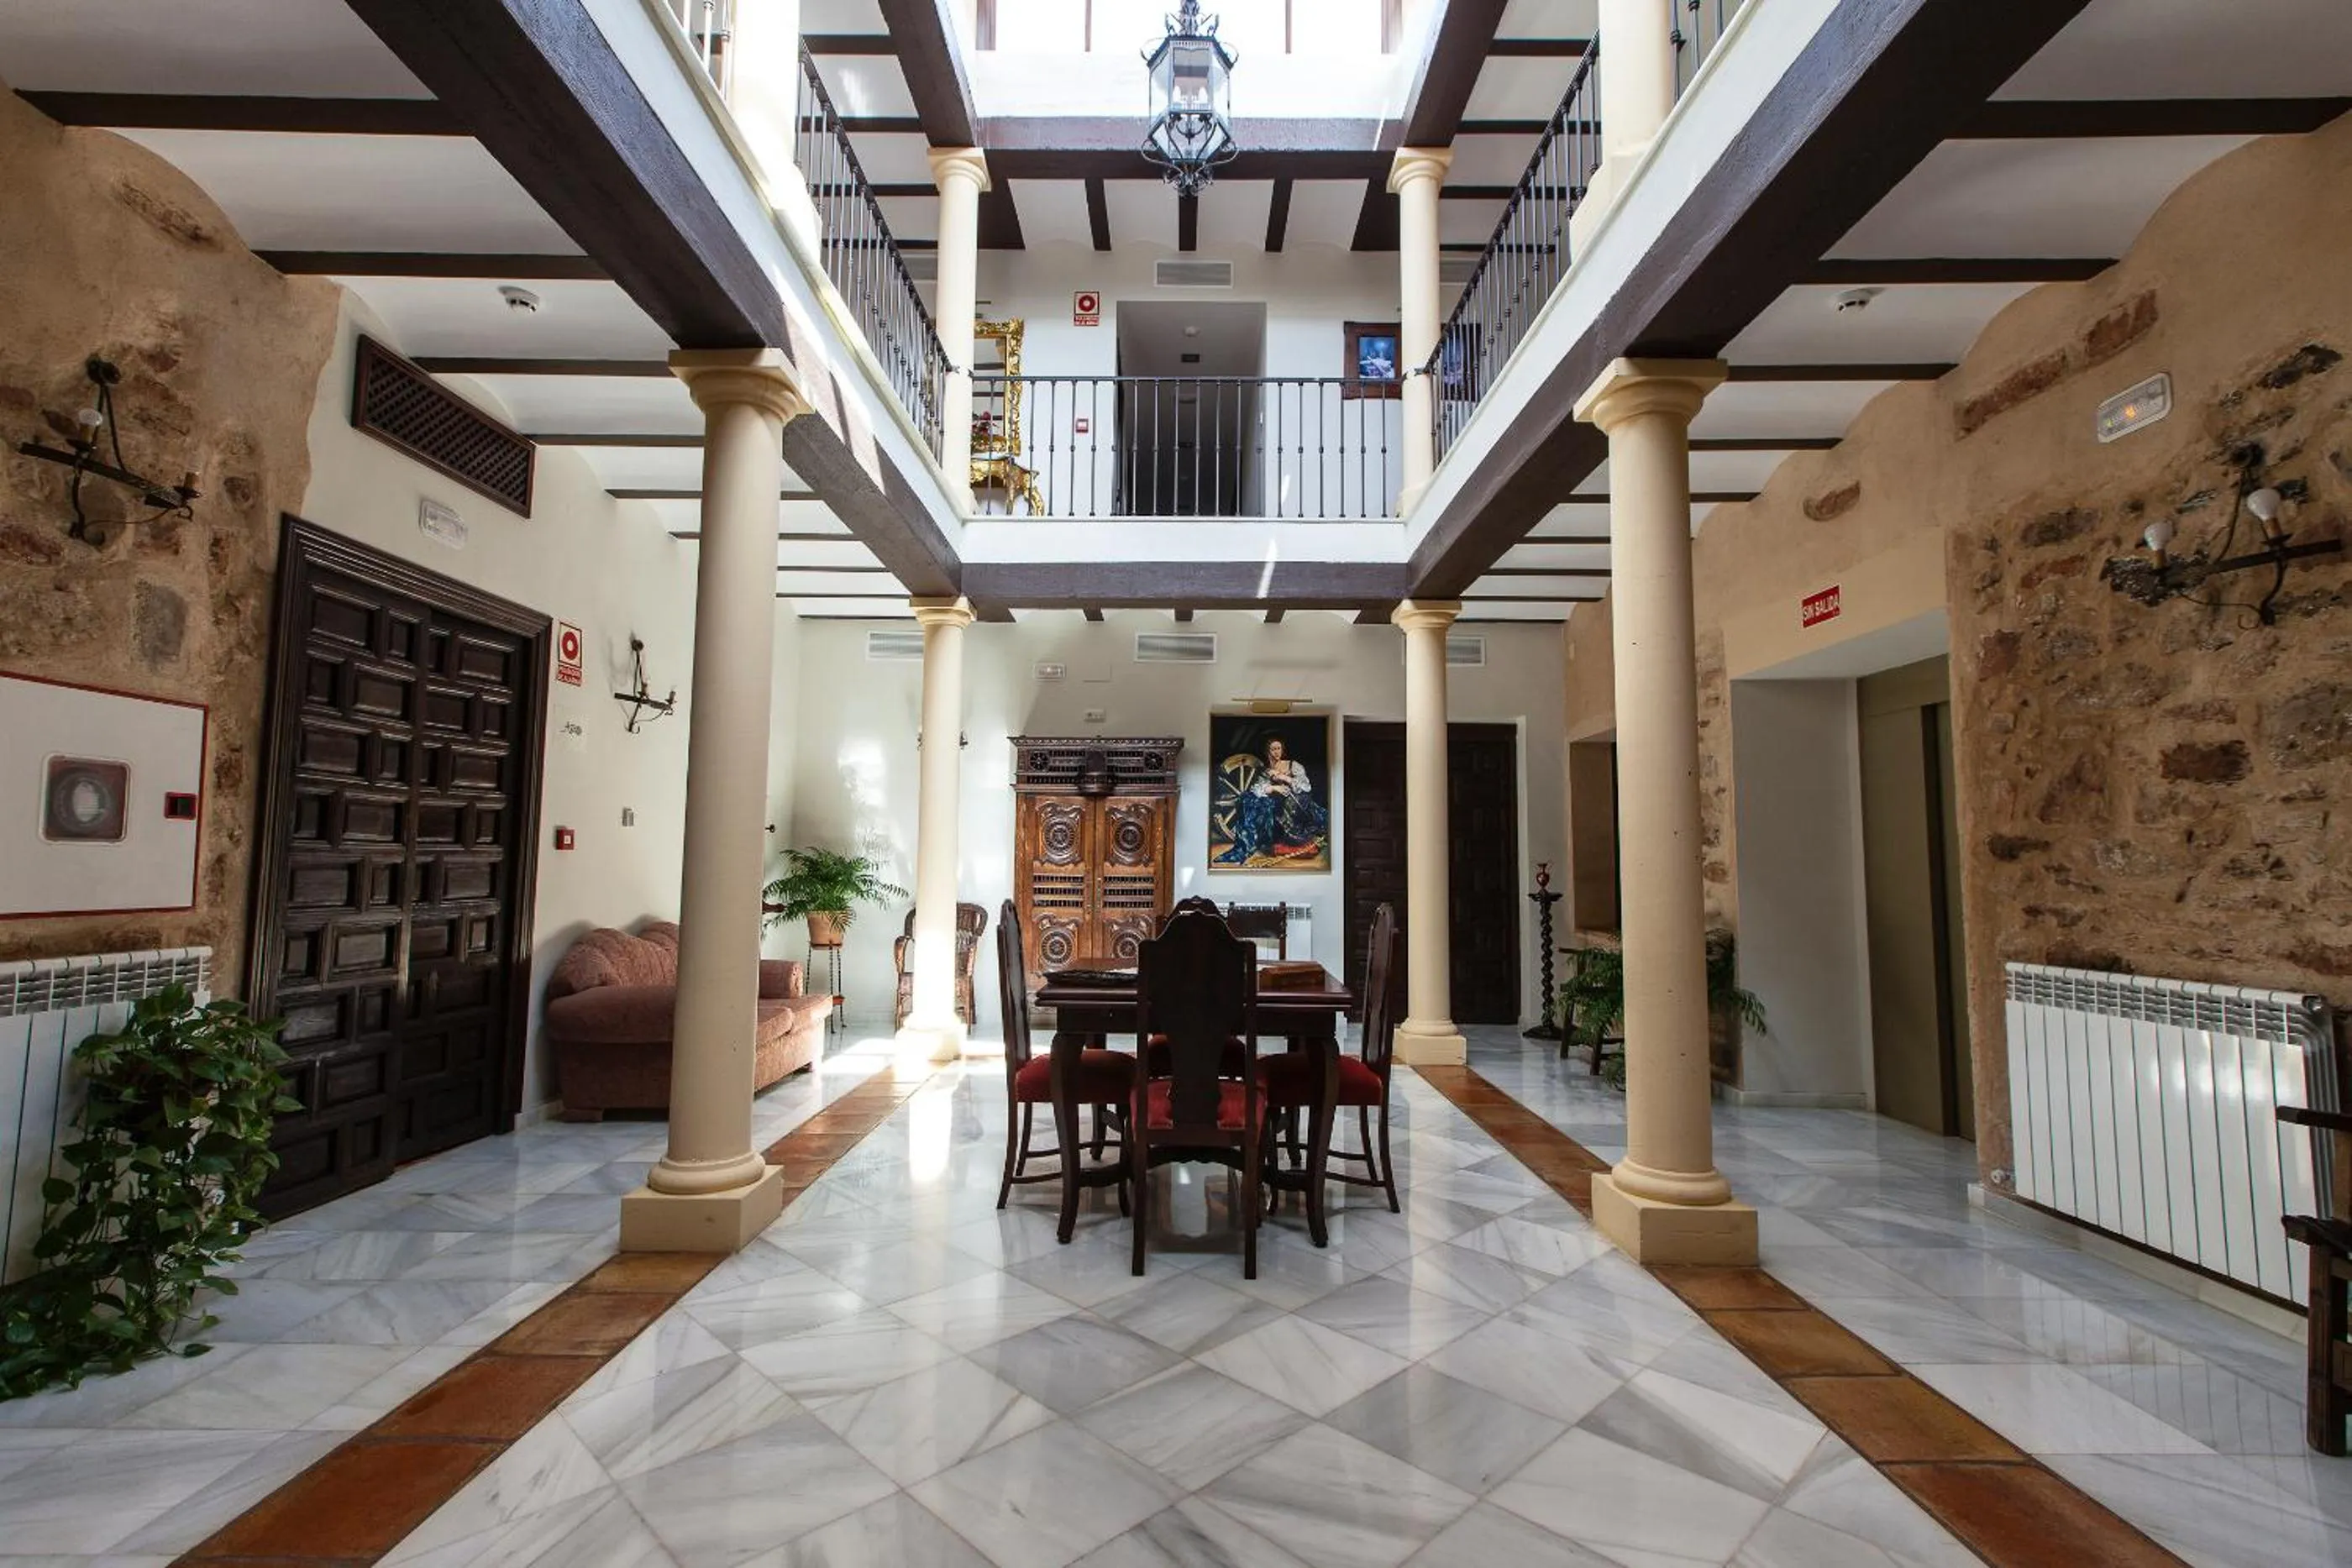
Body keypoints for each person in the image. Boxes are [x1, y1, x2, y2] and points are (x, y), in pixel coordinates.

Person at [1217, 736, 1328, 865]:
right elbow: (1258, 789)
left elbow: (1306, 787)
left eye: (1278, 748)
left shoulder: (1293, 765)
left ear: (1282, 750)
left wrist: (1284, 778)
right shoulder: (1267, 771)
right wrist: (1274, 788)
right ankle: (1246, 845)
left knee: (1273, 802)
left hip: (1297, 805)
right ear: (1268, 752)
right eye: (1273, 749)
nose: (1276, 752)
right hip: (1278, 807)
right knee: (1250, 799)